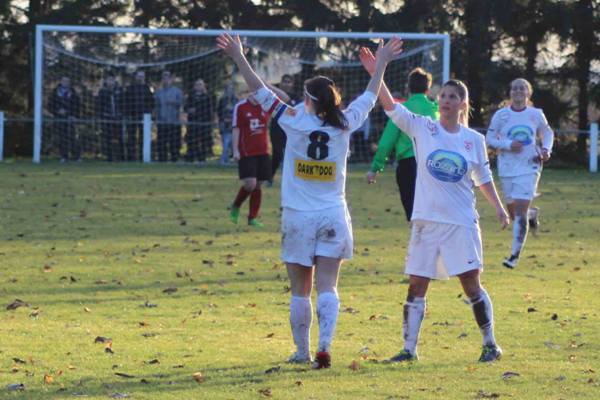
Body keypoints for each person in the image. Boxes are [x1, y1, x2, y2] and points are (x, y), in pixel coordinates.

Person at [217, 32, 402, 369]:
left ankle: (302, 352)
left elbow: (260, 92)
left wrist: (239, 56)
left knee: (300, 289)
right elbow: (371, 96)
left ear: (308, 99)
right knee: (328, 285)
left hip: (298, 217)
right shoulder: (344, 122)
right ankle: (325, 346)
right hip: (332, 214)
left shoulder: (293, 120)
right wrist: (382, 64)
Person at [359, 47, 509, 363]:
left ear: (463, 104)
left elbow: (483, 178)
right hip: (426, 221)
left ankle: (490, 344)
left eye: (453, 97)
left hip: (461, 222)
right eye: (443, 95)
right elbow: (390, 106)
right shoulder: (423, 127)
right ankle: (409, 350)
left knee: (471, 284)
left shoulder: (473, 140)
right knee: (416, 285)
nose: (445, 100)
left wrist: (498, 207)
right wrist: (378, 71)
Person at [486, 78, 554, 269]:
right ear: (510, 92)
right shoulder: (501, 115)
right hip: (507, 167)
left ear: (528, 93)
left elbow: (547, 133)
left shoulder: (536, 114)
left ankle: (514, 256)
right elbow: (490, 138)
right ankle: (531, 215)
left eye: (522, 88)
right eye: (514, 88)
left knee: (520, 213)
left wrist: (546, 149)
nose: (518, 91)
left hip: (530, 166)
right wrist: (508, 144)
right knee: (515, 213)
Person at [367, 68, 439, 221]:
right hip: (433, 165)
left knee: (415, 217)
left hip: (408, 166)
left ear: (408, 88)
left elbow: (387, 142)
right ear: (428, 89)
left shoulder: (402, 110)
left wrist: (375, 168)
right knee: (433, 216)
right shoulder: (436, 111)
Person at [229, 90, 283, 228]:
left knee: (259, 184)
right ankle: (236, 205)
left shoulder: (265, 107)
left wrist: (268, 85)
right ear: (249, 92)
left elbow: (284, 98)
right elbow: (236, 129)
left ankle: (252, 217)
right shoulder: (240, 107)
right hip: (247, 152)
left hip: (263, 151)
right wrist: (235, 150)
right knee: (250, 184)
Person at [268, 74, 299, 185]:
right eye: (284, 81)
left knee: (292, 155)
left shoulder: (296, 98)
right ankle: (269, 177)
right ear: (281, 83)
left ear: (292, 84)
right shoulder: (275, 97)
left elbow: (296, 113)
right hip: (277, 129)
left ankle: (292, 180)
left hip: (290, 130)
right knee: (277, 154)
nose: (286, 84)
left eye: (288, 82)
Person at [123, 70, 154, 161]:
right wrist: (127, 113)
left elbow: (151, 102)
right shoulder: (130, 88)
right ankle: (131, 158)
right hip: (132, 116)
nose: (140, 78)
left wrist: (148, 113)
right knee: (131, 137)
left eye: (142, 76)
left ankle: (142, 157)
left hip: (144, 117)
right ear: (136, 77)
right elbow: (125, 102)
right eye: (139, 76)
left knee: (143, 137)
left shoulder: (147, 88)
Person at [48, 76, 81, 162]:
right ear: (61, 82)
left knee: (73, 137)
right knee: (62, 137)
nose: (65, 82)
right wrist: (57, 111)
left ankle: (76, 156)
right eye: (64, 81)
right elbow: (50, 105)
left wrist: (74, 115)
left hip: (71, 118)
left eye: (67, 81)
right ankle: (63, 156)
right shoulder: (55, 93)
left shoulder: (73, 93)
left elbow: (78, 106)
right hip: (59, 118)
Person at [155, 70, 183, 162]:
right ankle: (162, 159)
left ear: (171, 79)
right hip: (162, 121)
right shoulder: (158, 92)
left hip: (174, 121)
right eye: (164, 77)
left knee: (174, 142)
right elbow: (156, 106)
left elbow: (182, 104)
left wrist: (173, 102)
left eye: (167, 77)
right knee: (162, 142)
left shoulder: (177, 91)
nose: (165, 79)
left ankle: (175, 159)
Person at [96, 72, 124, 162]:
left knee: (120, 138)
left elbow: (124, 103)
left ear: (114, 80)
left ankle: (121, 157)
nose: (110, 82)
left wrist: (122, 114)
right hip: (107, 117)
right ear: (106, 81)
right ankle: (109, 157)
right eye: (108, 80)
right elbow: (99, 105)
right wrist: (101, 116)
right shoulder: (102, 91)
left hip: (118, 118)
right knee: (108, 138)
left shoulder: (120, 91)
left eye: (112, 79)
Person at [185, 79, 214, 163]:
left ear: (204, 86)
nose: (198, 86)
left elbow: (210, 110)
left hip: (203, 123)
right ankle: (190, 159)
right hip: (192, 123)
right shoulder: (191, 96)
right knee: (191, 141)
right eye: (197, 84)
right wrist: (190, 110)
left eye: (200, 84)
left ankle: (202, 159)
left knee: (203, 141)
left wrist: (198, 111)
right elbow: (186, 108)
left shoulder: (207, 97)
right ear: (194, 86)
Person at [217, 82, 238, 164]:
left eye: (231, 89)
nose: (230, 91)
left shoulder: (235, 100)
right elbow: (219, 112)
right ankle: (224, 160)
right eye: (228, 89)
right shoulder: (222, 100)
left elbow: (238, 112)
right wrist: (224, 119)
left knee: (232, 143)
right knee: (225, 142)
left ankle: (231, 159)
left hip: (233, 124)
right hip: (224, 124)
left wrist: (232, 119)